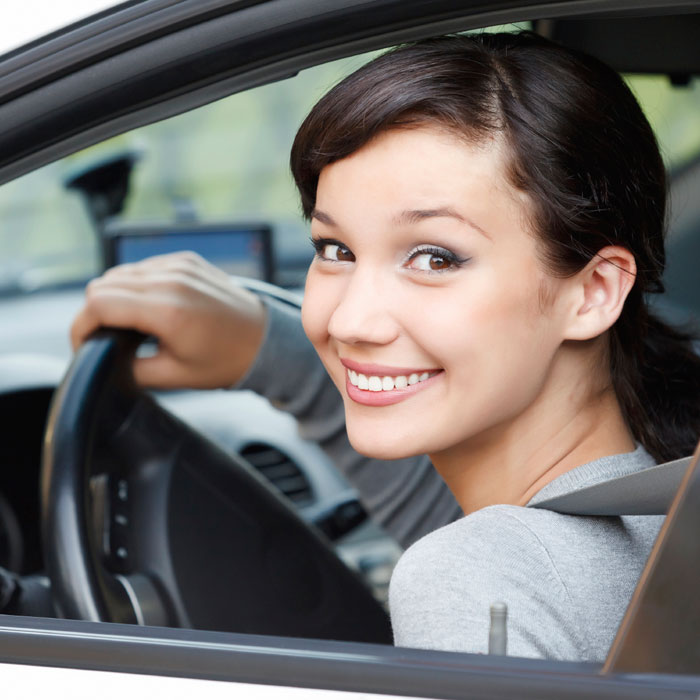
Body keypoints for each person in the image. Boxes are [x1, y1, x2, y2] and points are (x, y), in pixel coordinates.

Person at [71, 32, 700, 661]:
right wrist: (262, 348)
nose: (350, 320)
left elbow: (491, 559)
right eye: (334, 250)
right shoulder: (667, 507)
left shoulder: (476, 576)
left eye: (434, 257)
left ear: (591, 292)